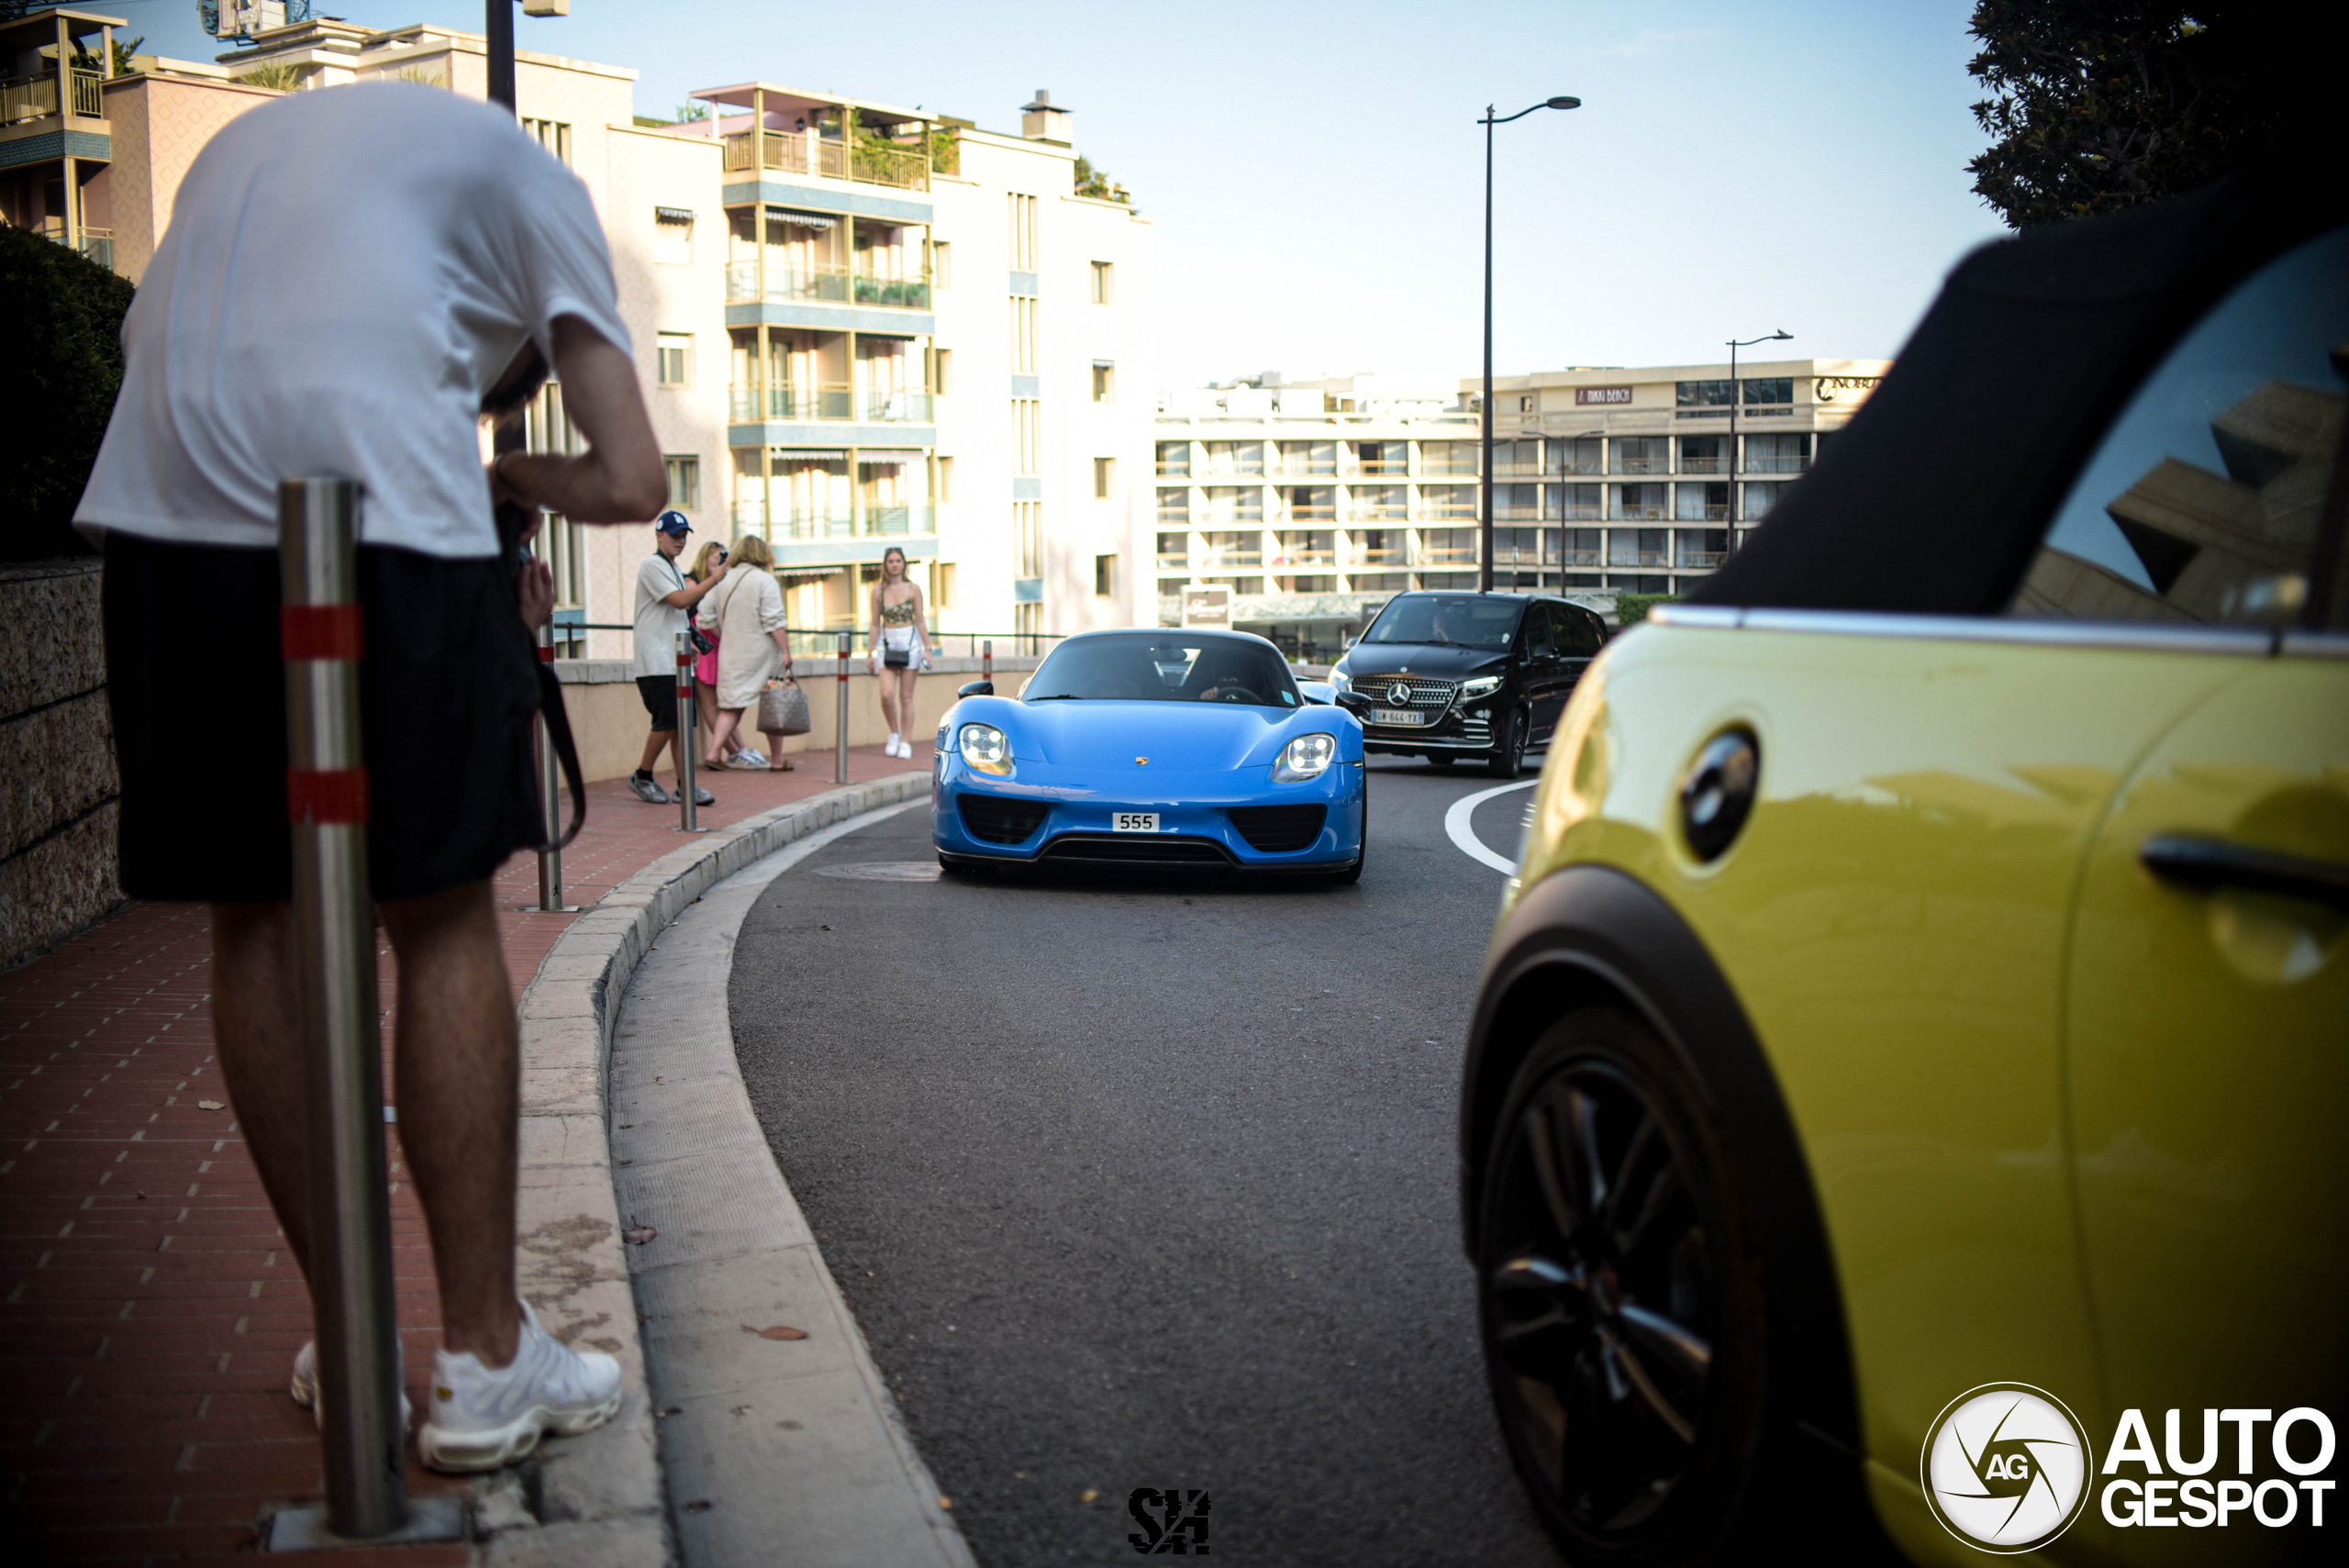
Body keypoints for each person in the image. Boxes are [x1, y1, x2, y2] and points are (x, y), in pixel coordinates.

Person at [76, 82, 669, 1472]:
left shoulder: (246, 141)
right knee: (442, 910)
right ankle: (480, 1354)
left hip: (162, 496)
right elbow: (636, 471)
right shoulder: (547, 191)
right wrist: (515, 471)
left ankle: (346, 1340)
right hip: (377, 509)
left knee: (258, 912)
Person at [629, 513, 727, 805]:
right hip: (655, 661)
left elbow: (677, 613)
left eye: (684, 535)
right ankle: (642, 776)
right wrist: (713, 579)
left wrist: (691, 641)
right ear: (659, 536)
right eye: (674, 535)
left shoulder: (672, 566)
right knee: (668, 721)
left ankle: (685, 785)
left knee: (683, 724)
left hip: (675, 660)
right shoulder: (652, 565)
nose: (680, 541)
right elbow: (680, 601)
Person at [696, 534, 796, 770]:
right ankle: (778, 760)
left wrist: (726, 635)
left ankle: (714, 752)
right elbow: (774, 621)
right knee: (773, 703)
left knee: (732, 705)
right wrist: (786, 651)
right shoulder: (765, 580)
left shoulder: (723, 579)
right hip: (761, 653)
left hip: (730, 653)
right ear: (763, 554)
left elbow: (704, 617)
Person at [685, 539, 760, 767]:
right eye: (716, 557)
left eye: (724, 558)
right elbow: (689, 614)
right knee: (710, 703)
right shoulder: (692, 582)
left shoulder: (722, 583)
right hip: (702, 645)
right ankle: (728, 752)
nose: (720, 562)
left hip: (718, 645)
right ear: (704, 558)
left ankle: (740, 750)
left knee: (724, 702)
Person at [865, 546, 930, 759]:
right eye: (890, 561)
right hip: (887, 642)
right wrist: (869, 653)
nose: (894, 565)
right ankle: (894, 732)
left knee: (906, 697)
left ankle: (906, 741)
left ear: (904, 564)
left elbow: (920, 619)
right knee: (886, 695)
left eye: (898, 561)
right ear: (885, 565)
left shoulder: (913, 589)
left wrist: (927, 649)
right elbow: (875, 624)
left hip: (910, 642)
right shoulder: (877, 591)